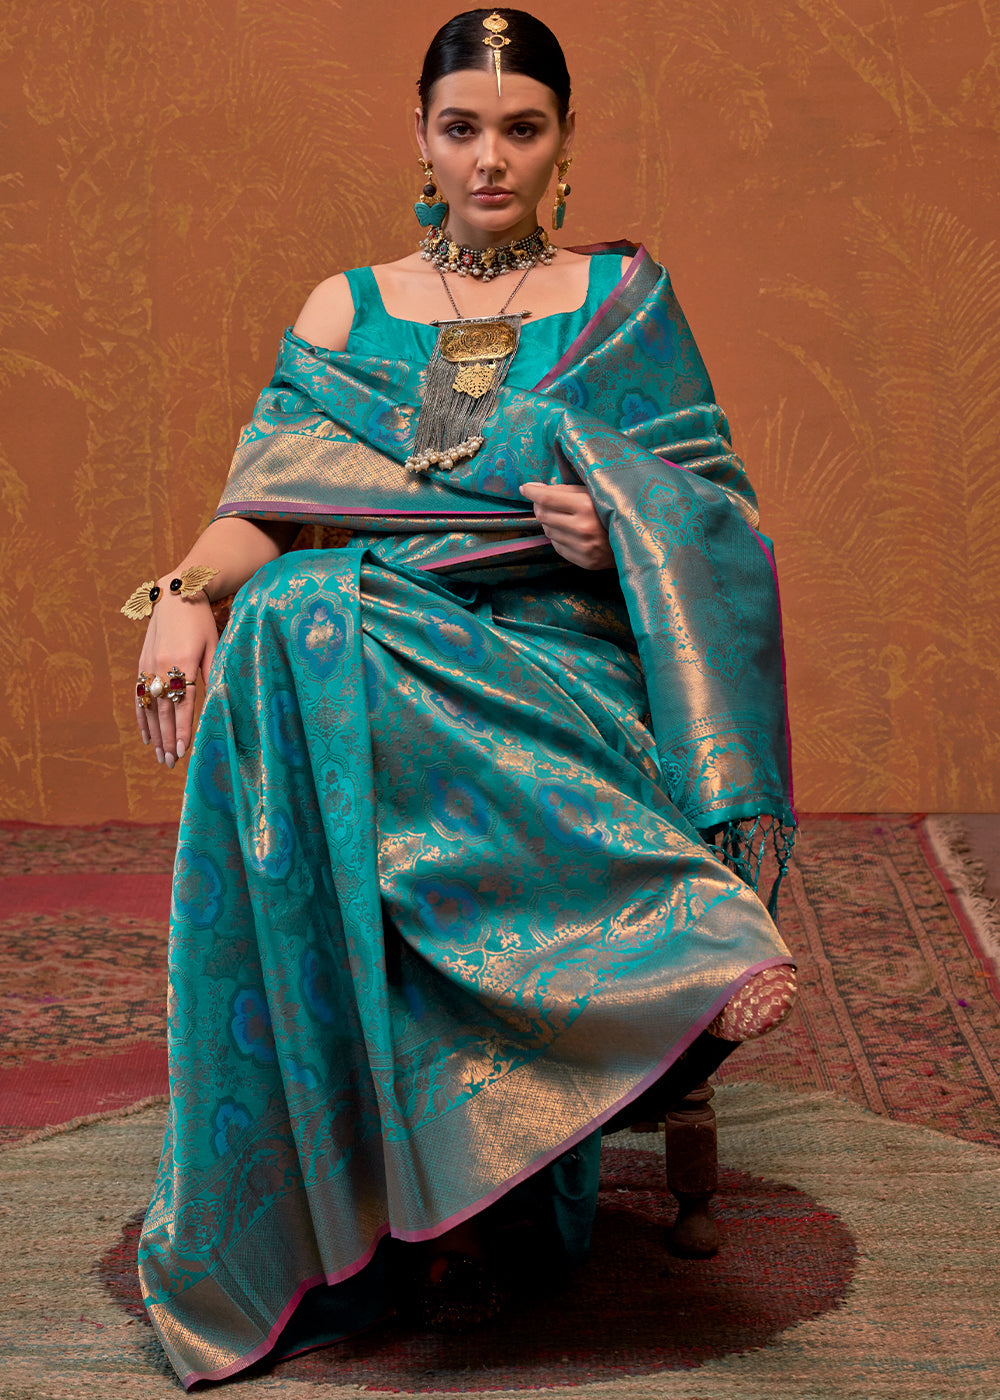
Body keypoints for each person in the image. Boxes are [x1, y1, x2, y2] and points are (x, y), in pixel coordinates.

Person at [127, 9, 797, 1388]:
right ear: (422, 140)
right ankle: (655, 954)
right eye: (463, 128)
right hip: (378, 659)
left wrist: (621, 534)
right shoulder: (346, 308)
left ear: (564, 141)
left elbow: (721, 520)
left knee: (319, 628)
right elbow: (266, 503)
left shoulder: (619, 305)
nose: (491, 158)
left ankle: (683, 949)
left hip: (560, 656)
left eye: (521, 129)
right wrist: (186, 594)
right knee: (299, 612)